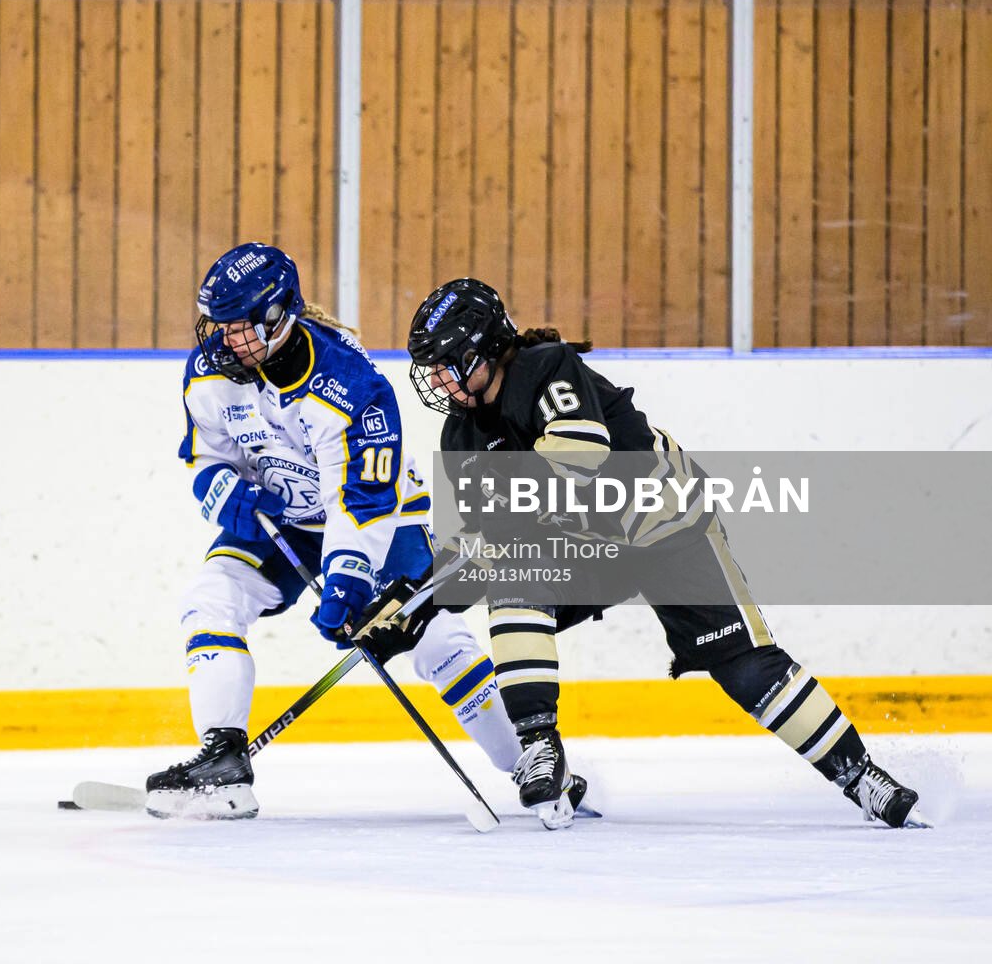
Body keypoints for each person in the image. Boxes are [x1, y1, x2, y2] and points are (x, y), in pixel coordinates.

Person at [405, 277, 920, 829]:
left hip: (667, 527)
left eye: (447, 363)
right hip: (593, 547)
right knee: (514, 580)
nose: (438, 380)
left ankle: (861, 774)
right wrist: (409, 604)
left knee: (744, 666)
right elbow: (479, 551)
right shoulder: (460, 437)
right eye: (431, 369)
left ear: (484, 348)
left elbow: (579, 454)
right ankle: (539, 748)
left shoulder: (546, 368)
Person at [144, 245, 524, 819]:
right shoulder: (208, 372)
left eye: (238, 326)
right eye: (216, 324)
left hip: (383, 516)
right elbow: (204, 455)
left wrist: (346, 578)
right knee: (211, 599)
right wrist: (228, 494)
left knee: (435, 640)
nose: (222, 339)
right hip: (286, 522)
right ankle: (224, 763)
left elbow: (364, 499)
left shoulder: (352, 385)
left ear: (278, 318)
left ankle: (530, 763)